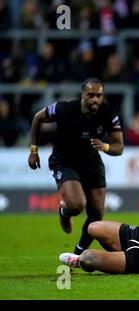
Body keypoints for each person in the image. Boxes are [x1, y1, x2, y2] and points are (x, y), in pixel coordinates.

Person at [28, 78, 124, 255]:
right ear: (82, 95)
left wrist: (105, 146)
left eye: (99, 95)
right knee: (77, 205)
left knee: (96, 214)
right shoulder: (65, 109)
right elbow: (37, 118)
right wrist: (34, 150)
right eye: (91, 95)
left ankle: (79, 253)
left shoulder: (108, 112)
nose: (95, 99)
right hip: (64, 162)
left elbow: (119, 147)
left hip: (92, 163)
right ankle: (65, 212)